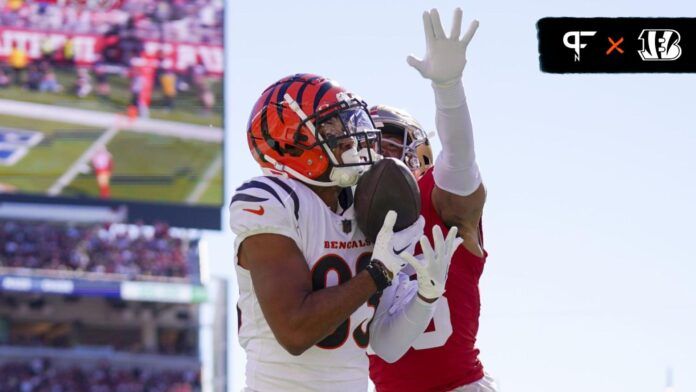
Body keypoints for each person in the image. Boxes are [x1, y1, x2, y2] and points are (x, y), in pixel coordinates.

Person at [229, 73, 463, 391]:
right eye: (334, 128)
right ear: (292, 142)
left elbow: (386, 345)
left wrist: (426, 296)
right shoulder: (270, 199)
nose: (351, 139)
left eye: (348, 124)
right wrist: (377, 273)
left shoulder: (366, 209)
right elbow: (295, 331)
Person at [368, 9, 499, 392]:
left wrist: (448, 88)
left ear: (423, 155)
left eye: (391, 144)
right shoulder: (349, 218)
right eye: (370, 146)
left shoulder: (442, 200)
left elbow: (459, 156)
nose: (381, 158)